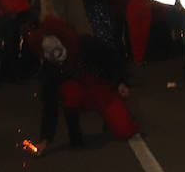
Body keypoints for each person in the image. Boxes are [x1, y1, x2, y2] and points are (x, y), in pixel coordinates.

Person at [28, 15, 137, 155]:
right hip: (79, 93)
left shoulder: (85, 43)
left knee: (125, 130)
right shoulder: (49, 68)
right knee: (70, 91)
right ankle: (75, 133)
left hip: (101, 88)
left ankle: (112, 116)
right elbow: (50, 105)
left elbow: (113, 59)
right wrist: (45, 139)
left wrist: (121, 82)